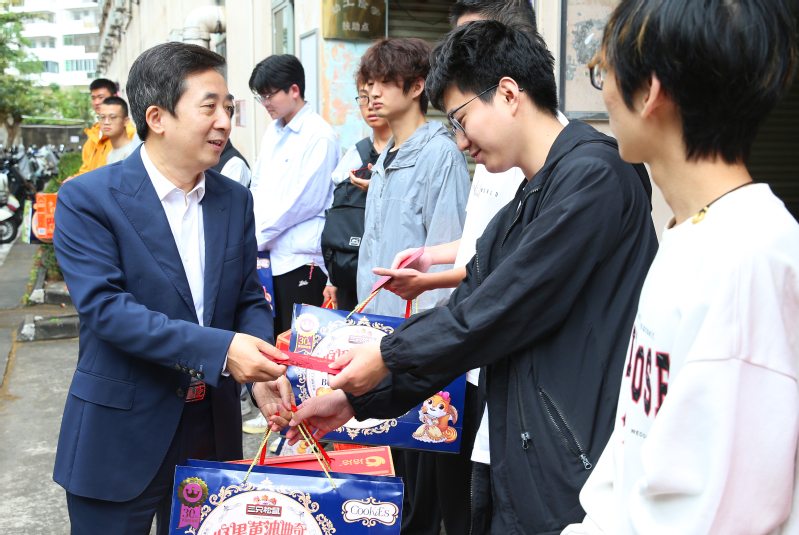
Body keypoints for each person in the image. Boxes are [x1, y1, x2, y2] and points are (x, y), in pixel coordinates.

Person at [285, 20, 659, 534]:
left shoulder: (593, 177)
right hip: (524, 445)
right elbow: (467, 312)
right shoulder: (525, 201)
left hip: (574, 466)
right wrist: (357, 399)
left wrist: (386, 356)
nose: (461, 142)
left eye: (461, 119)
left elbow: (500, 309)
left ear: (507, 94)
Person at [561, 1, 799, 534]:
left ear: (650, 91)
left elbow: (717, 514)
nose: (604, 91)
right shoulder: (693, 234)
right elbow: (635, 440)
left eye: (603, 72)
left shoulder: (747, 257)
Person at [52, 43, 293, 534]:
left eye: (229, 107)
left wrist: (259, 367)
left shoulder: (234, 200)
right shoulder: (88, 199)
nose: (225, 122)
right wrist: (224, 351)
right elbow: (107, 309)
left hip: (211, 428)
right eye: (210, 107)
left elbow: (248, 297)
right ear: (157, 117)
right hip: (120, 432)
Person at [248, 54, 340, 334]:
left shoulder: (319, 136)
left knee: (298, 342)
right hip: (269, 257)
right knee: (272, 336)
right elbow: (257, 185)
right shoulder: (273, 131)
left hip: (301, 260)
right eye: (260, 97)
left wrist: (257, 235)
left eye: (269, 95)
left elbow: (303, 203)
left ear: (294, 90)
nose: (265, 103)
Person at [322, 81, 392, 312]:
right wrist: (332, 278)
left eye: (375, 97)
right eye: (363, 97)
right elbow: (337, 218)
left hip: (392, 273)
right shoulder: (354, 154)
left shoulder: (408, 153)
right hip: (350, 272)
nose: (370, 105)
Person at [74, 78, 137, 176]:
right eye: (93, 98)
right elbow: (86, 170)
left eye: (101, 97)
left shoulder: (131, 136)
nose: (97, 102)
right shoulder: (93, 135)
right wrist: (74, 180)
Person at [100, 96, 141, 165]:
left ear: (126, 121)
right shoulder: (110, 154)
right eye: (102, 117)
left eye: (112, 117)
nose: (106, 122)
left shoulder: (132, 152)